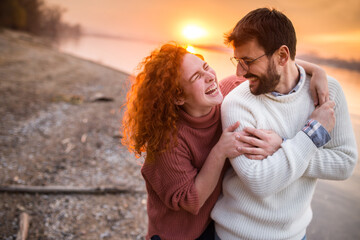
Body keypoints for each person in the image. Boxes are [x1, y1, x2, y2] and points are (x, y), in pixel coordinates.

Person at [121, 43, 329, 240]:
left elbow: (270, 67)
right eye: (196, 77)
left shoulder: (230, 91)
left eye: (206, 67)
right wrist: (219, 151)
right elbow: (191, 201)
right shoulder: (167, 141)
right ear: (178, 97)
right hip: (177, 234)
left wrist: (316, 71)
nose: (210, 77)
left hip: (213, 224)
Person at [211, 8, 358, 240]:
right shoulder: (237, 103)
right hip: (235, 235)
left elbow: (345, 164)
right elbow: (259, 182)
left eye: (247, 61)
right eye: (237, 61)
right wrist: (312, 135)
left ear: (282, 56)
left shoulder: (327, 92)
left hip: (296, 235)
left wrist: (283, 145)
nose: (239, 72)